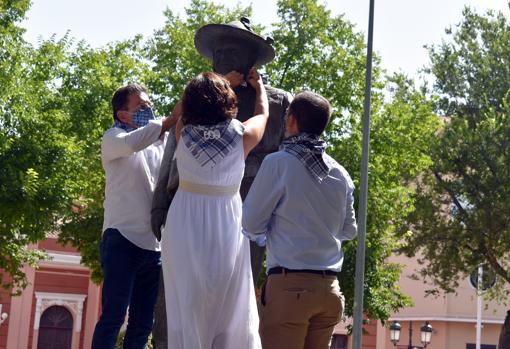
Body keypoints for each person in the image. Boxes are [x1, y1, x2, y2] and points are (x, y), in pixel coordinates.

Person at [151, 17, 292, 284]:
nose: (224, 58)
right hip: (188, 210)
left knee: (236, 285)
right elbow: (172, 154)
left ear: (250, 60)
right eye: (219, 53)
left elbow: (288, 164)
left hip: (250, 216)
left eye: (232, 52)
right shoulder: (195, 105)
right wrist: (158, 205)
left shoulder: (280, 102)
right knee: (183, 289)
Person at [161, 70, 268, 349]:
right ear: (227, 101)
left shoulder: (182, 130)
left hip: (183, 219)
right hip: (225, 220)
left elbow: (180, 109)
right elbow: (263, 114)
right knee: (230, 302)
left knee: (186, 300)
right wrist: (260, 89)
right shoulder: (242, 136)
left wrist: (220, 80)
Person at [242, 91, 358, 349]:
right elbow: (349, 231)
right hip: (329, 290)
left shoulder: (278, 163)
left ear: (291, 120)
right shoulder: (341, 174)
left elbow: (250, 223)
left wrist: (273, 233)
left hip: (290, 287)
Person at [92, 84, 177, 349]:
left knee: (142, 325)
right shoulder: (113, 138)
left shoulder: (157, 144)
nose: (149, 110)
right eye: (140, 106)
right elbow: (135, 142)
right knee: (114, 316)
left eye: (149, 104)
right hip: (121, 240)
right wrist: (170, 119)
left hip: (153, 246)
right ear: (122, 115)